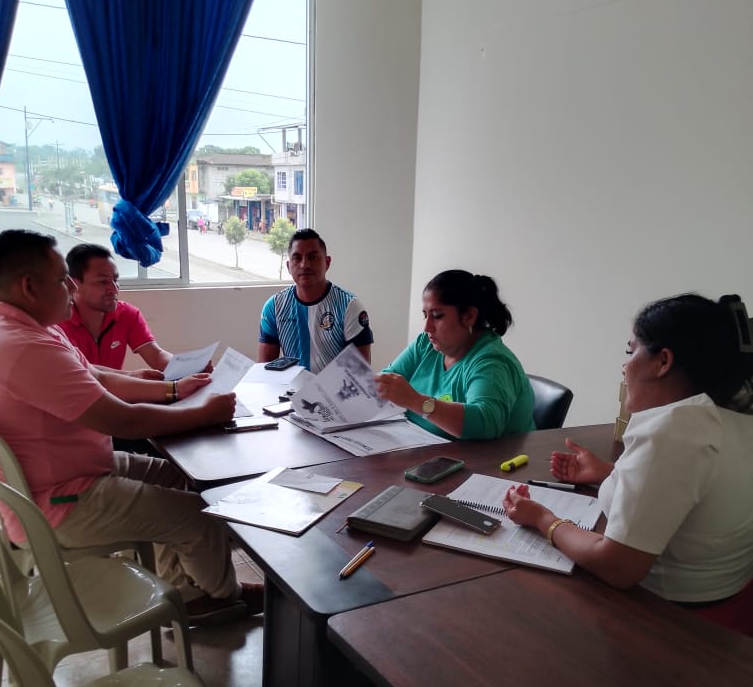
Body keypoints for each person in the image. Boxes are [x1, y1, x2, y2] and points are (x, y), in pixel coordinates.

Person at [0, 229, 262, 626]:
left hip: (79, 470)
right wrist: (204, 413)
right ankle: (225, 598)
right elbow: (122, 419)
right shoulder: (24, 347)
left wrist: (173, 389)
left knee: (184, 479)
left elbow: (97, 375)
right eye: (62, 278)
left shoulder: (23, 327)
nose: (71, 287)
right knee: (198, 514)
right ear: (28, 286)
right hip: (58, 501)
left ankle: (188, 590)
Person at [503, 293, 753, 624]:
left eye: (630, 351)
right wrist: (610, 473)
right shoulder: (730, 417)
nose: (624, 367)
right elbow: (692, 492)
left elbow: (618, 566)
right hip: (734, 604)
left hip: (674, 621)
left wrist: (542, 519)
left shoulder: (674, 430)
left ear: (663, 362)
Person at [374, 269, 534, 439]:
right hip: (416, 443)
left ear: (469, 316)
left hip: (487, 456)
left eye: (437, 316)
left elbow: (485, 423)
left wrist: (415, 401)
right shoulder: (425, 344)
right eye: (425, 315)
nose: (427, 327)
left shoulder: (492, 361)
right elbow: (386, 382)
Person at [258, 227, 373, 372]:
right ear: (288, 266)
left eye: (312, 257)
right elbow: (266, 371)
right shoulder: (274, 307)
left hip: (334, 387)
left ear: (327, 262)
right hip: (290, 386)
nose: (304, 264)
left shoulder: (349, 306)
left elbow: (360, 373)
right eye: (297, 258)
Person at [56, 243, 173, 377]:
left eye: (115, 280)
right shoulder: (56, 324)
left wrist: (188, 368)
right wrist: (131, 377)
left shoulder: (127, 314)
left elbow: (156, 355)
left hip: (114, 389)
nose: (114, 289)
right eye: (103, 282)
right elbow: (77, 371)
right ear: (74, 284)